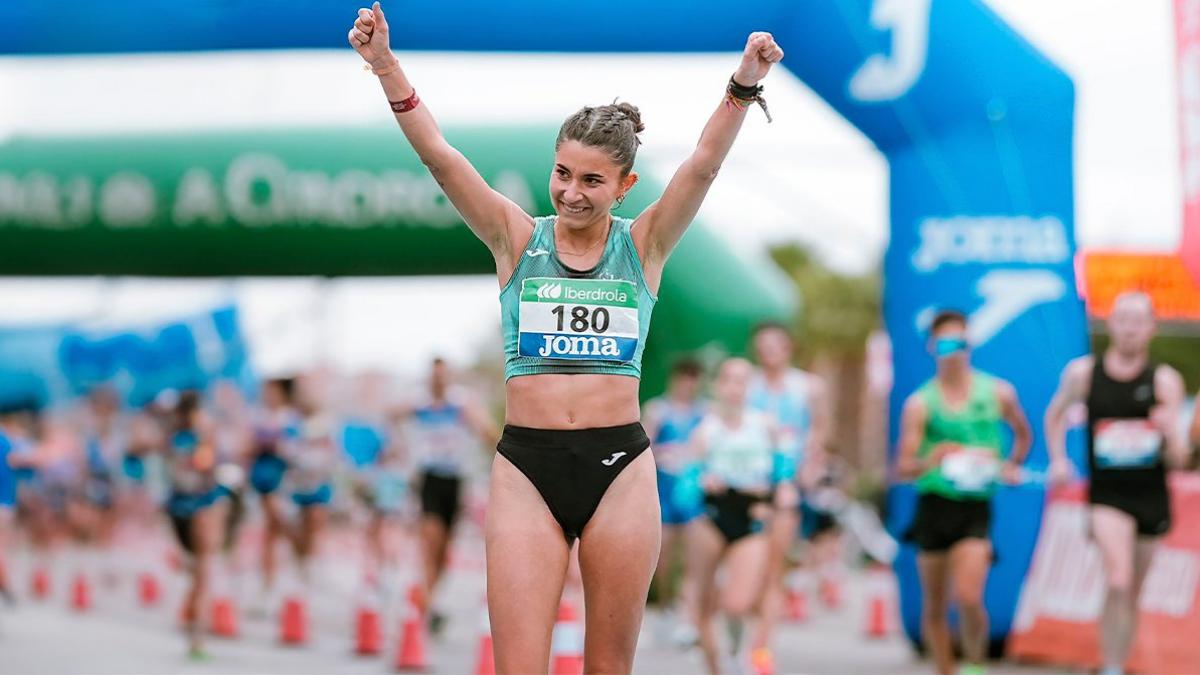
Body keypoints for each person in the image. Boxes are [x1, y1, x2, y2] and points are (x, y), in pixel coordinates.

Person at [347, 4, 783, 670]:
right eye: (562, 174)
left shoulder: (646, 245)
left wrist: (745, 84)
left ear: (625, 185)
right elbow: (441, 159)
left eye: (591, 181)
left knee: (608, 666)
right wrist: (385, 66)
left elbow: (700, 167)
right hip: (528, 465)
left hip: (619, 469)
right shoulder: (516, 238)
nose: (571, 193)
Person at [1044, 292, 1190, 675]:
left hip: (1151, 496)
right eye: (1123, 319)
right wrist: (1059, 459)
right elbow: (1054, 414)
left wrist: (1169, 432)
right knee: (1119, 579)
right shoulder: (1083, 374)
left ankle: (1118, 661)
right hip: (1107, 496)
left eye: (1138, 321)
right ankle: (1110, 667)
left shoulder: (1164, 381)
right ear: (1110, 324)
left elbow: (1179, 459)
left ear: (1151, 329)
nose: (1129, 328)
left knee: (1132, 592)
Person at [896, 309, 1032, 675]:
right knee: (935, 608)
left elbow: (1022, 432)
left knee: (969, 597)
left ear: (971, 344)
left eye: (961, 342)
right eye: (946, 343)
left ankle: (975, 664)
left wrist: (1011, 464)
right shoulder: (920, 403)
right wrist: (934, 457)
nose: (955, 350)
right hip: (934, 507)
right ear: (932, 348)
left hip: (975, 508)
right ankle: (945, 669)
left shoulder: (998, 392)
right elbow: (903, 467)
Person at [746, 321, 829, 674]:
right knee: (747, 571)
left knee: (773, 568)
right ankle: (738, 634)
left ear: (788, 347)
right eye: (762, 346)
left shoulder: (808, 387)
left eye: (775, 345)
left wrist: (810, 466)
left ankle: (762, 647)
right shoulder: (748, 387)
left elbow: (821, 430)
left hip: (786, 487)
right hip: (747, 486)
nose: (769, 353)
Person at [690, 358, 779, 675]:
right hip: (713, 513)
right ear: (717, 386)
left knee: (737, 603)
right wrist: (700, 479)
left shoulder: (765, 425)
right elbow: (687, 482)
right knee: (701, 600)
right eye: (728, 379)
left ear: (750, 387)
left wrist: (773, 498)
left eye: (742, 380)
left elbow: (783, 472)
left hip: (750, 514)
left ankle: (737, 651)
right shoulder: (705, 430)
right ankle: (716, 667)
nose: (734, 387)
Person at [397, 357, 497, 633]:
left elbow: (488, 431)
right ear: (429, 378)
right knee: (431, 541)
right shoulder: (420, 402)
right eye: (434, 376)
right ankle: (429, 605)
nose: (438, 380)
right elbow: (391, 414)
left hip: (455, 480)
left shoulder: (461, 402)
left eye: (443, 376)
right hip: (429, 478)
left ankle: (431, 597)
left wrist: (479, 425)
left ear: (449, 377)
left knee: (444, 550)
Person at [641, 358, 707, 645]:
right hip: (664, 491)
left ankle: (687, 617)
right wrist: (663, 454)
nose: (688, 384)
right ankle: (666, 605)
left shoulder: (705, 413)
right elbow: (642, 446)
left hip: (692, 493)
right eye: (684, 378)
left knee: (694, 557)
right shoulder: (658, 409)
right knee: (664, 557)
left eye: (693, 379)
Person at [162, 390, 228, 660]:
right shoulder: (202, 435)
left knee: (197, 571)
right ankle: (197, 638)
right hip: (199, 504)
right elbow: (206, 466)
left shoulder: (172, 438)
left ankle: (193, 625)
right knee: (203, 571)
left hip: (178, 506)